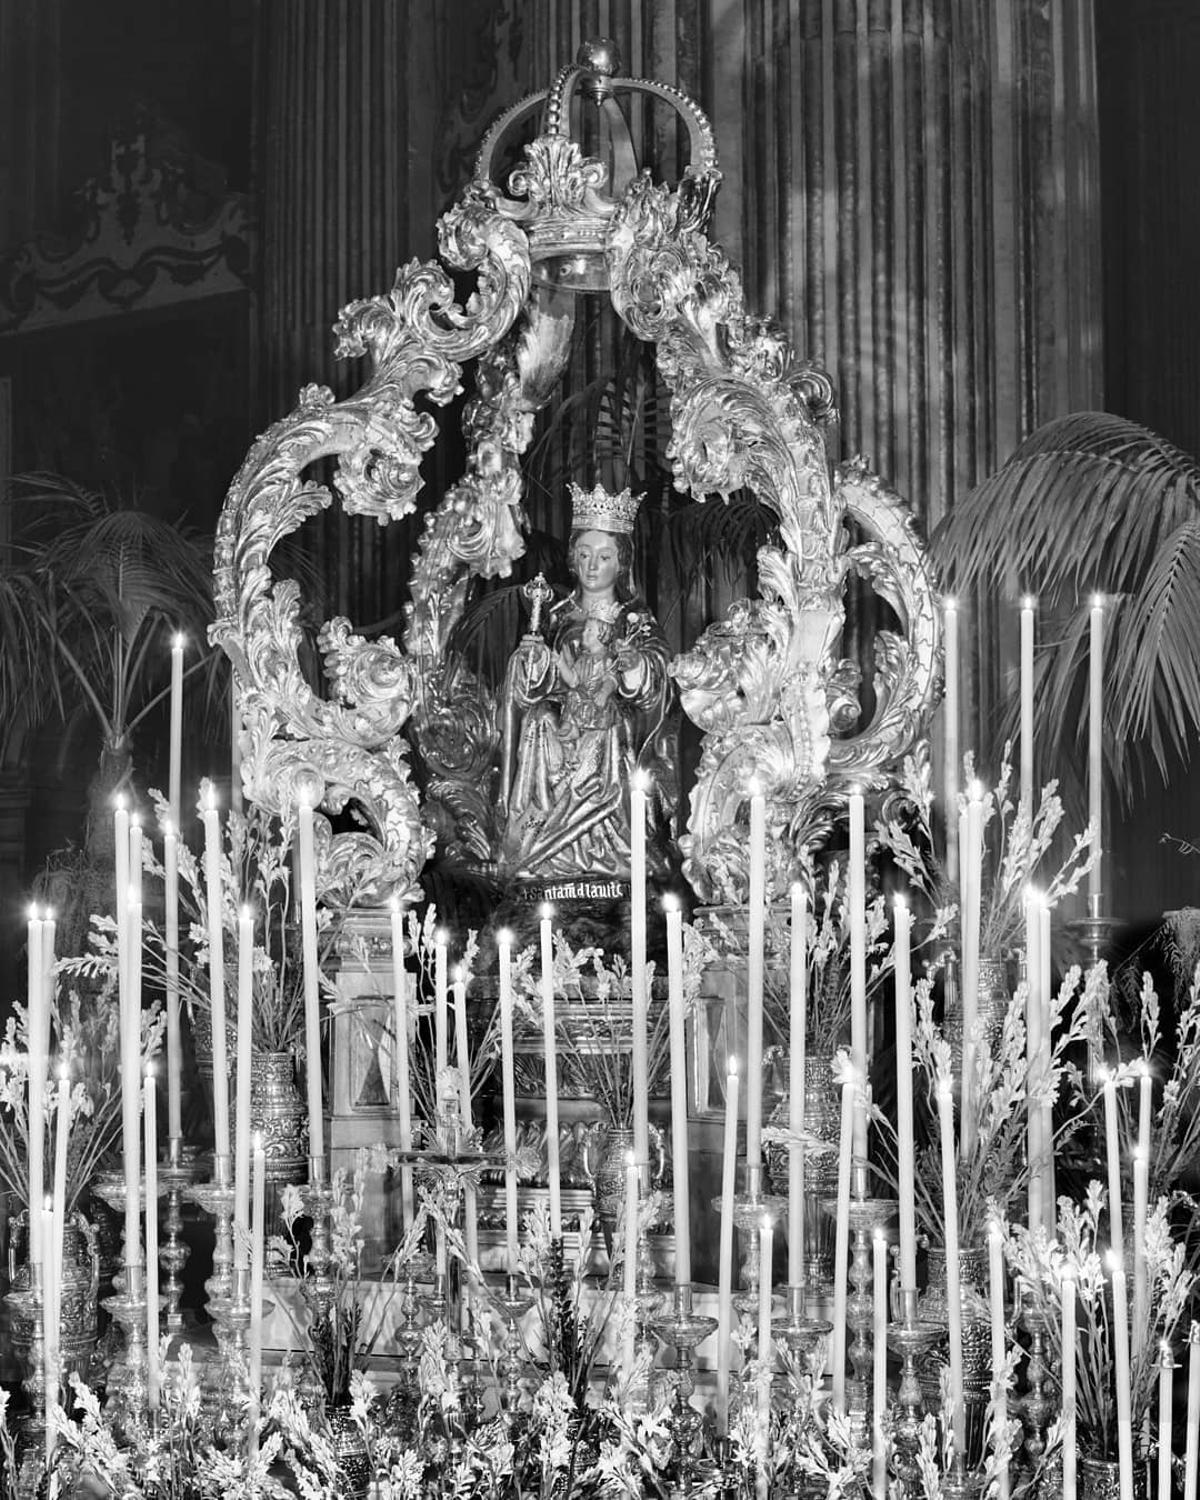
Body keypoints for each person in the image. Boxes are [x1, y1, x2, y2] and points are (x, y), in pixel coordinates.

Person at [497, 483, 675, 883]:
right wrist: (533, 660)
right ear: (573, 559)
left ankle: (612, 847)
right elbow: (533, 687)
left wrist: (633, 666)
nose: (593, 565)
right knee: (540, 719)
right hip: (561, 722)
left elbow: (657, 677)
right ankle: (538, 847)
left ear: (621, 563)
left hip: (612, 724)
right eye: (584, 554)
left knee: (607, 732)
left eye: (605, 556)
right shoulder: (555, 614)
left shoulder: (636, 620)